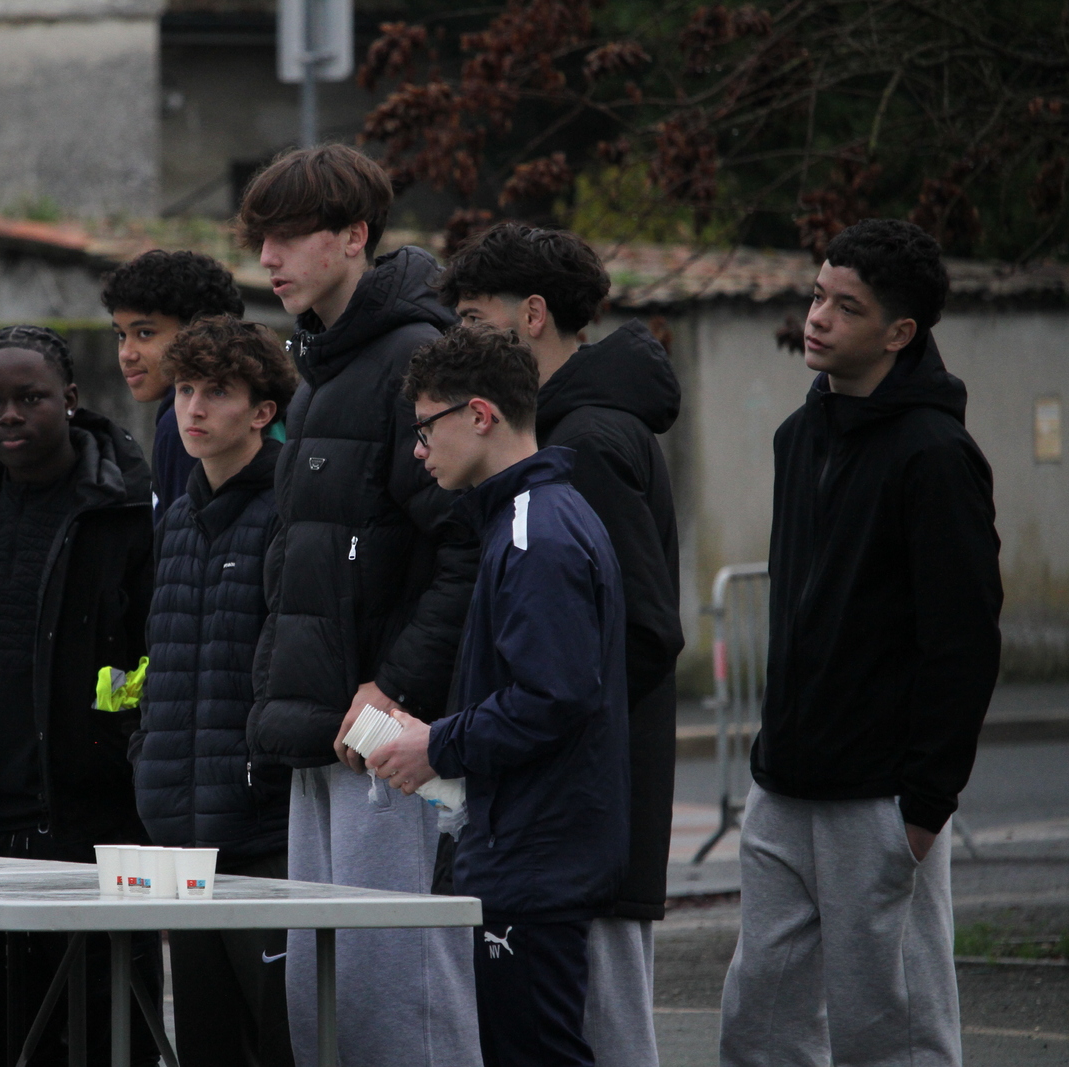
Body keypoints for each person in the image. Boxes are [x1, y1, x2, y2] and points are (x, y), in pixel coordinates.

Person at [719, 219, 1002, 1066]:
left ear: (899, 332)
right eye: (817, 296)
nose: (818, 317)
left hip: (879, 801)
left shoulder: (936, 455)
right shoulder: (797, 437)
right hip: (782, 788)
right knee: (759, 1026)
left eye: (847, 306)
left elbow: (962, 641)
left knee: (892, 1035)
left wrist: (922, 809)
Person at [238, 144, 482, 1067]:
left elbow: (467, 545)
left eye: (289, 236)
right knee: (324, 1004)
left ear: (354, 237)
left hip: (390, 745)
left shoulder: (411, 359)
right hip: (320, 735)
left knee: (397, 999)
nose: (268, 258)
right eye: (261, 239)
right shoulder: (322, 367)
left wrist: (397, 687)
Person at [437, 223, 683, 1065]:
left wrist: (557, 741)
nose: (462, 341)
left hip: (578, 819)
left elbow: (639, 633)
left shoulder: (582, 446)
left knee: (596, 1037)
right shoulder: (570, 435)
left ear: (532, 315)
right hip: (572, 813)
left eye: (474, 318)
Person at [374, 324, 630, 1067]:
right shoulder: (530, 518)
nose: (419, 450)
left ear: (480, 415)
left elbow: (552, 698)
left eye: (426, 428)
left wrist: (436, 745)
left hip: (536, 852)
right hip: (533, 845)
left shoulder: (533, 530)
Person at [0, 326, 160, 1067]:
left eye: (30, 398)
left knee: (112, 1037)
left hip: (96, 826)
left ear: (71, 399)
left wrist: (128, 777)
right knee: (1, 1039)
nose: (9, 415)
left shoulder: (125, 514)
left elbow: (154, 665)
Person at [131, 315, 299, 1067]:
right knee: (205, 1042)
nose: (192, 409)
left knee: (281, 1037)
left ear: (262, 411)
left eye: (216, 393)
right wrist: (147, 756)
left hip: (262, 829)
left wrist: (259, 767)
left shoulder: (288, 511)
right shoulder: (176, 518)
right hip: (180, 836)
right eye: (184, 390)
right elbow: (164, 656)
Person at [101, 249, 248, 513]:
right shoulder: (252, 397)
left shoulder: (187, 423)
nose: (126, 353)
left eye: (145, 333)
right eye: (121, 335)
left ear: (200, 334)